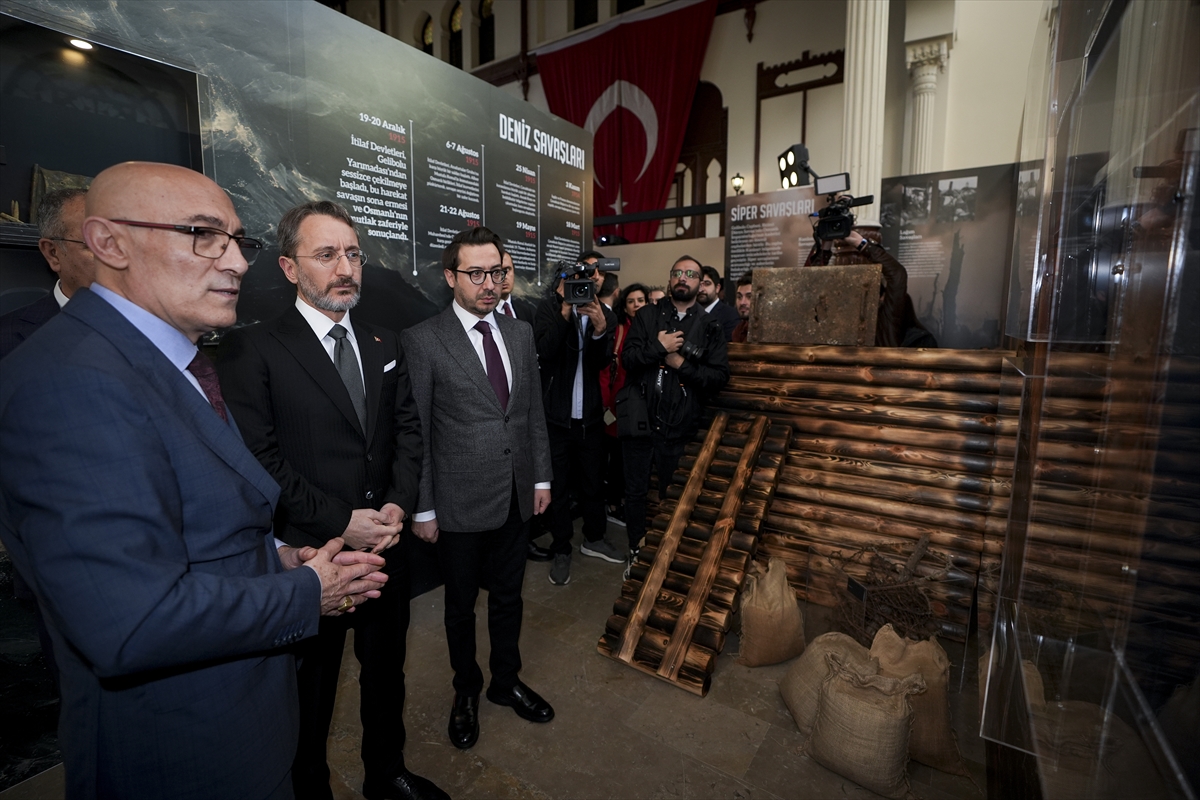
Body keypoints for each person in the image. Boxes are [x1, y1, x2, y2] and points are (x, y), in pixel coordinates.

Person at [0, 161, 387, 800]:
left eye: (238, 240)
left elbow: (190, 526)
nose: (234, 262)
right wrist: (304, 592)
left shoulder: (172, 361)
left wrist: (276, 556)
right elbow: (131, 622)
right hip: (180, 751)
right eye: (202, 235)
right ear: (108, 243)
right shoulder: (72, 384)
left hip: (240, 724)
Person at [216, 201, 445, 800]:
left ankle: (385, 772)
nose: (345, 267)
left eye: (352, 254)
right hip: (311, 556)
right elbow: (260, 461)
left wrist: (397, 504)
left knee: (385, 672)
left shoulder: (382, 340)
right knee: (310, 688)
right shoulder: (254, 349)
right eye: (326, 255)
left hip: (386, 549)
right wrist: (345, 521)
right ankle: (309, 786)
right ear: (290, 268)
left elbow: (406, 433)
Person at [400, 226, 555, 752]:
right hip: (458, 502)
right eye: (476, 274)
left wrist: (540, 477)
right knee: (460, 606)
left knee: (510, 597)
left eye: (496, 272)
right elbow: (417, 429)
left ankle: (504, 681)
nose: (489, 284)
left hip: (515, 494)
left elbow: (531, 413)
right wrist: (423, 508)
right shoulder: (424, 340)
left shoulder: (519, 333)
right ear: (451, 277)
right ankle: (465, 690)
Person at [0, 187, 98, 687]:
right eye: (90, 239)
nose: (108, 252)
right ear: (51, 252)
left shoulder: (165, 332)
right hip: (57, 570)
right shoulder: (9, 344)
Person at [620, 257, 730, 572]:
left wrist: (682, 365)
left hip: (679, 427)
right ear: (670, 279)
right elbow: (628, 359)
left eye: (691, 274)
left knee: (674, 494)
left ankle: (668, 553)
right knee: (635, 492)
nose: (683, 279)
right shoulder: (647, 316)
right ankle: (635, 551)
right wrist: (659, 348)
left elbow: (718, 378)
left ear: (701, 282)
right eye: (678, 273)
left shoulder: (710, 326)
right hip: (639, 423)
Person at [534, 260, 621, 585]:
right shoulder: (547, 309)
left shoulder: (604, 314)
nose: (580, 287)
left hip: (591, 418)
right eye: (573, 281)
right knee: (557, 489)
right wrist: (565, 312)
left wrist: (600, 329)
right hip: (556, 419)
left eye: (585, 281)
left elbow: (601, 362)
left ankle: (594, 538)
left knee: (593, 483)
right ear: (561, 282)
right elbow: (546, 350)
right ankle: (561, 549)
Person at [805, 216, 936, 347]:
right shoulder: (837, 318)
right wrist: (824, 246)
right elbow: (808, 283)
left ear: (880, 299)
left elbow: (897, 275)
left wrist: (859, 242)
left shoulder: (884, 322)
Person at [0, 188, 95, 352]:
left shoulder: (152, 328)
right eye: (98, 244)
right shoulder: (6, 339)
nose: (120, 257)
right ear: (53, 253)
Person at [600, 283, 649, 523]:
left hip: (646, 404)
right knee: (617, 458)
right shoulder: (619, 329)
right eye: (631, 301)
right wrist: (607, 405)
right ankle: (613, 503)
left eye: (641, 300)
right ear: (625, 305)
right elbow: (606, 371)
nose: (637, 304)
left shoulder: (654, 328)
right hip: (619, 404)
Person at [697, 265, 741, 341]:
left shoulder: (730, 315)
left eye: (707, 284)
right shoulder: (690, 312)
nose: (701, 289)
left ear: (717, 288)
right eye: (699, 284)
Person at [732, 270, 753, 343]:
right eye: (739, 297)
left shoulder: (770, 331)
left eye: (749, 297)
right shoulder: (739, 329)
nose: (742, 302)